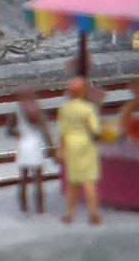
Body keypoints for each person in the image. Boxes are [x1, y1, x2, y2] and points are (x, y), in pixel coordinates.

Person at [57, 76, 102, 225]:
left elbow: (62, 131)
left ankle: (68, 214)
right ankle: (93, 213)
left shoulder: (64, 108)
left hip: (71, 144)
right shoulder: (88, 108)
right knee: (89, 181)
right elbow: (95, 130)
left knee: (73, 182)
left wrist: (60, 148)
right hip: (86, 145)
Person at [6, 85, 53, 214]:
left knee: (23, 179)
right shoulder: (36, 109)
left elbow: (8, 131)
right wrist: (51, 149)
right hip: (35, 143)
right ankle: (40, 209)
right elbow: (45, 131)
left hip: (23, 144)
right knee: (38, 179)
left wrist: (18, 134)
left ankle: (24, 208)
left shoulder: (16, 111)